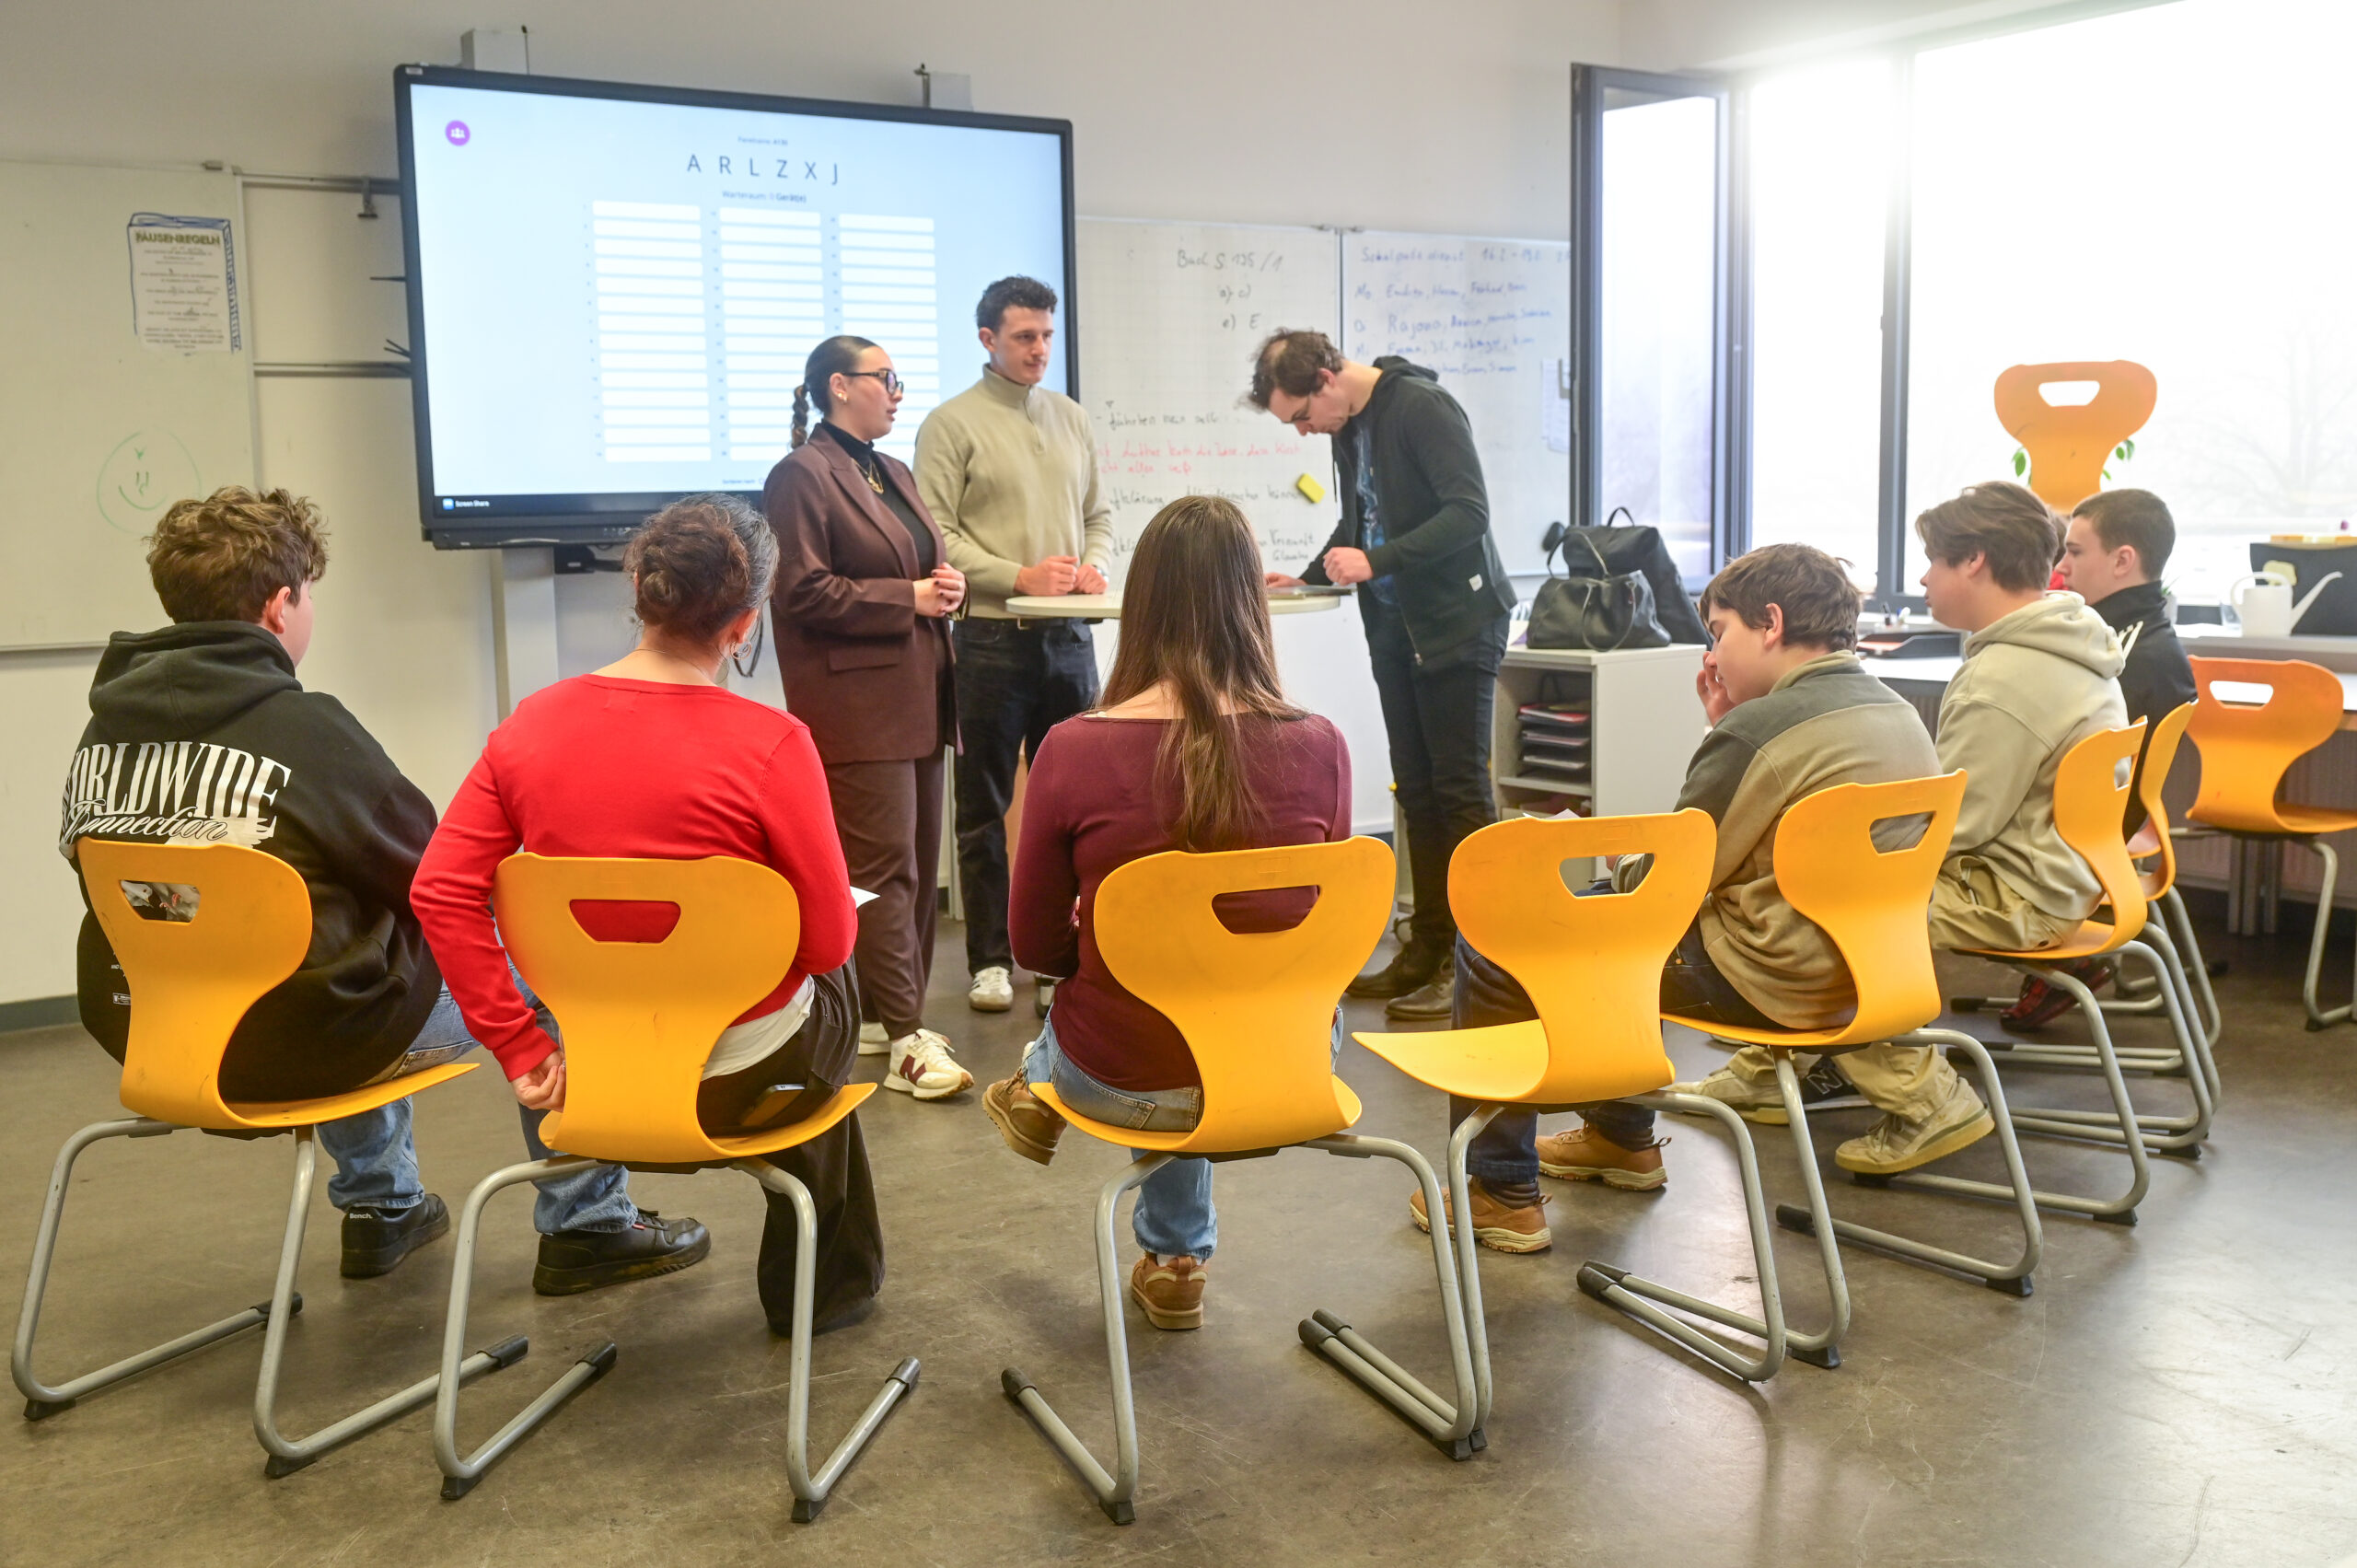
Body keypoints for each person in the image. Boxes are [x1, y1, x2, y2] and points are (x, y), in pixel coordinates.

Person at [59, 487, 669, 1293]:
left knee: (338, 931)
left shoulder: (104, 730)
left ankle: (384, 1206)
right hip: (303, 1038)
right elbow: (435, 873)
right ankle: (589, 1223)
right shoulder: (304, 729)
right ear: (280, 605)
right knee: (550, 969)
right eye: (308, 595)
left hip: (154, 1034)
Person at [412, 497, 884, 1334]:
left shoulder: (528, 728)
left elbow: (440, 890)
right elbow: (826, 942)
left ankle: (588, 1220)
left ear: (637, 587)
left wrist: (521, 1046)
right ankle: (822, 1289)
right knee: (836, 970)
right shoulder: (774, 742)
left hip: (585, 1077)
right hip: (741, 1086)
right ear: (744, 625)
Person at [1424, 544, 1945, 1252]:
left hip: (1772, 978)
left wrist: (1710, 746)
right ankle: (1620, 1135)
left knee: (1502, 934)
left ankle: (1497, 1187)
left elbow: (1658, 887)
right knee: (1627, 924)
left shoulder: (1760, 730)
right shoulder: (1896, 710)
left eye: (1720, 632)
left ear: (1770, 623)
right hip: (1875, 972)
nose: (1713, 655)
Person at [976, 496, 1351, 1331]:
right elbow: (1325, 929)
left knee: (1139, 1006)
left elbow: (1035, 946)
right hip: (1291, 1064)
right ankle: (1176, 1255)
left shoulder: (1073, 748)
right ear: (1251, 602)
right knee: (1211, 997)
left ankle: (1038, 1079)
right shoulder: (1322, 744)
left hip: (1128, 1080)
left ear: (1139, 604)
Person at [1682, 482, 2125, 1169]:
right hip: (2070, 875)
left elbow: (1940, 823)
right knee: (1809, 880)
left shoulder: (2002, 678)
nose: (1921, 579)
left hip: (2010, 889)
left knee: (1830, 910)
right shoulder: (2071, 646)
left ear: (1973, 561)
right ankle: (1770, 1068)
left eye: (1932, 561)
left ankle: (1923, 1095)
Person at [1250, 329, 1515, 1023]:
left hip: (1458, 623)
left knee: (1460, 793)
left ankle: (1480, 967)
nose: (1304, 431)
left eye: (1301, 415)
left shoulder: (1422, 407)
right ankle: (1427, 949)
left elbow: (1468, 514)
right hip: (1397, 628)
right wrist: (1309, 575)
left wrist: (1379, 561)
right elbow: (1360, 519)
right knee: (1418, 792)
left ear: (1327, 379)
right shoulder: (1349, 426)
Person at [764, 335, 972, 1101]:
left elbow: (915, 569)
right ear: (839, 386)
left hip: (920, 694)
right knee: (883, 870)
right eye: (886, 378)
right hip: (856, 705)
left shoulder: (891, 470)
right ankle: (910, 1038)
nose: (897, 391)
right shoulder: (801, 474)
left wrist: (947, 587)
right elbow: (799, 590)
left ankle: (888, 1016)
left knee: (915, 864)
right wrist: (906, 597)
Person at [915, 275, 1113, 1022]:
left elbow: (1099, 516)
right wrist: (1017, 576)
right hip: (991, 640)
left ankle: (1060, 959)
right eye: (1025, 336)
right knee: (983, 808)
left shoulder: (1071, 417)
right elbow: (936, 535)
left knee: (1078, 808)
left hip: (1070, 638)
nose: (1040, 350)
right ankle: (991, 960)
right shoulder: (951, 423)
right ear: (987, 339)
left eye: (1047, 336)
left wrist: (1092, 565)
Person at [2010, 487, 2196, 1027]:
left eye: (2074, 551)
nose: (2061, 568)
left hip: (2078, 842)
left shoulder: (2113, 653)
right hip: (2103, 836)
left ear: (2122, 560)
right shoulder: (2139, 637)